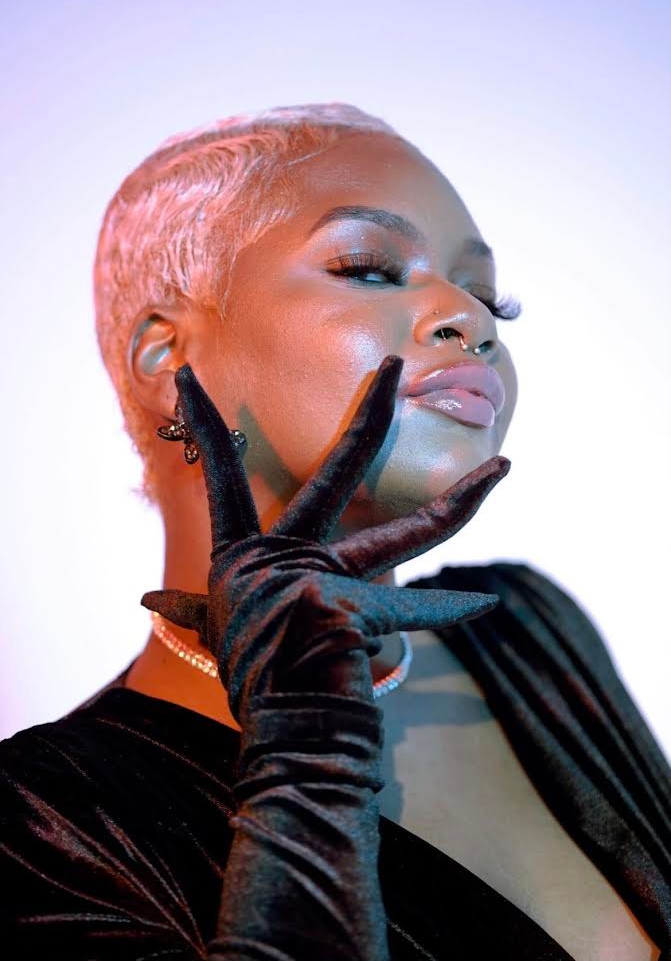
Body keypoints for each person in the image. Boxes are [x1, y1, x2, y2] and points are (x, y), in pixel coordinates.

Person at [0, 102, 668, 961]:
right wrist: (305, 741)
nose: (469, 319)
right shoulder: (45, 822)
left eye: (484, 294)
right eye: (368, 268)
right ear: (167, 359)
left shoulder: (527, 630)